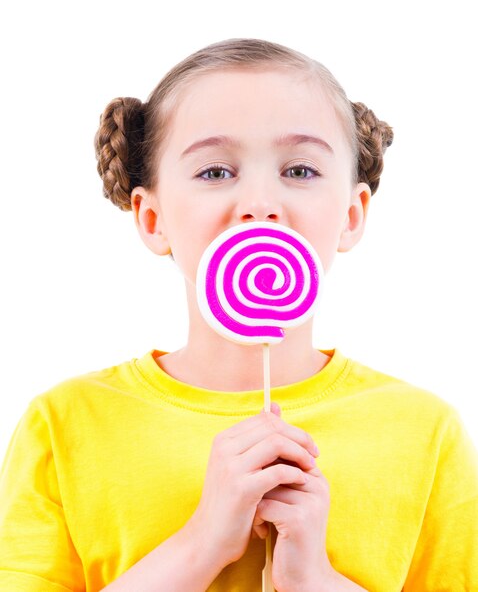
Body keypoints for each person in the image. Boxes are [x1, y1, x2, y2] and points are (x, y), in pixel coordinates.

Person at [1, 38, 477, 592]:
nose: (259, 201)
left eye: (299, 171)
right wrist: (201, 544)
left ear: (351, 214)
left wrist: (315, 579)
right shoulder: (66, 424)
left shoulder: (424, 431)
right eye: (214, 172)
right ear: (152, 218)